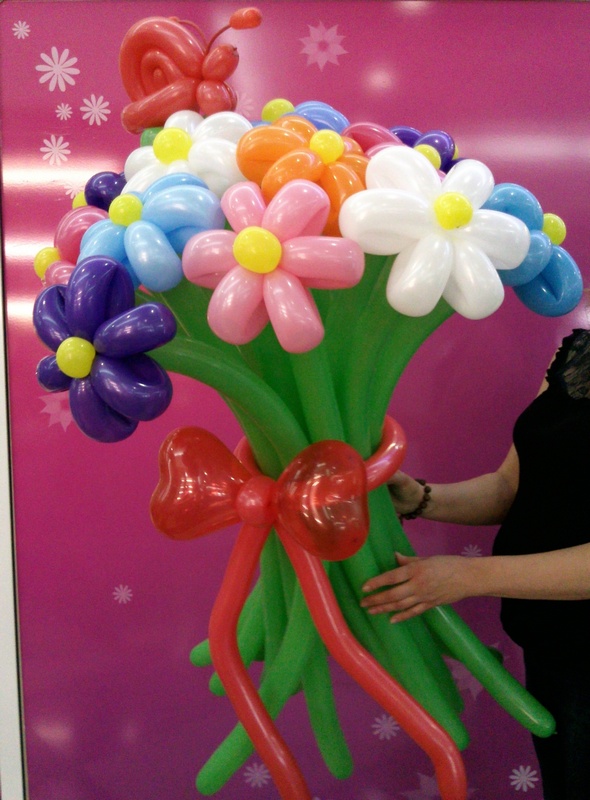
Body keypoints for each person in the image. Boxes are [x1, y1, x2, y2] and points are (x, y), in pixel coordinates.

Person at [359, 327, 590, 800]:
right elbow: (510, 489)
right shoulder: (578, 355)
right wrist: (420, 498)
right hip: (551, 644)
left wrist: (467, 576)